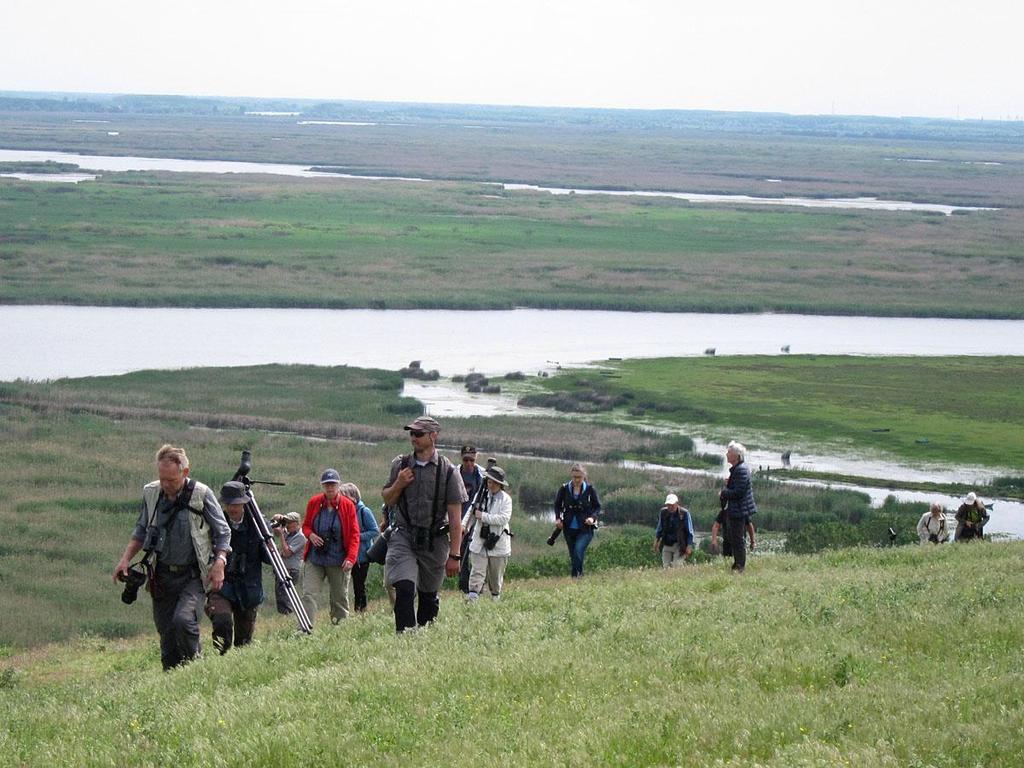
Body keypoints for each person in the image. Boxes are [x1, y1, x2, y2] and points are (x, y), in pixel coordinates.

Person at [112, 444, 231, 670]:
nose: (166, 485)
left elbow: (223, 531)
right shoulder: (152, 492)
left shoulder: (201, 494)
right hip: (162, 575)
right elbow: (141, 530)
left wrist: (220, 562)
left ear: (185, 473)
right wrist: (125, 559)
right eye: (162, 479)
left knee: (184, 621)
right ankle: (172, 677)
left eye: (171, 480)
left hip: (193, 575)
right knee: (166, 635)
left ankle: (195, 667)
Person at [381, 415, 467, 633]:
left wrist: (455, 555)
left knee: (428, 597)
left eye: (418, 434)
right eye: (411, 433)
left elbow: (456, 520)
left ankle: (425, 637)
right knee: (404, 587)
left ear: (433, 436)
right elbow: (388, 499)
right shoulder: (400, 465)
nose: (413, 438)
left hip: (435, 540)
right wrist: (399, 483)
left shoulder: (448, 471)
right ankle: (405, 638)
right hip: (403, 536)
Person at [205, 481, 271, 653]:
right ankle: (220, 656)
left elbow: (268, 558)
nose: (232, 508)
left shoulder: (258, 525)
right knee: (222, 622)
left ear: (244, 504)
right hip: (222, 584)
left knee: (244, 642)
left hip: (249, 586)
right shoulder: (215, 523)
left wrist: (270, 545)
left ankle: (237, 665)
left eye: (236, 504)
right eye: (229, 504)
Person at [300, 468, 359, 626]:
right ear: (322, 486)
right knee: (308, 594)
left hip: (338, 559)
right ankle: (305, 629)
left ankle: (340, 628)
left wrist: (351, 558)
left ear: (338, 485)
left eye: (333, 484)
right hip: (316, 558)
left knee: (338, 597)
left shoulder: (347, 506)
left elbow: (354, 535)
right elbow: (305, 526)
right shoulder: (314, 502)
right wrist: (311, 535)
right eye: (327, 484)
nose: (330, 487)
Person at [462, 465, 513, 601]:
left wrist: (483, 516)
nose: (490, 484)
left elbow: (503, 519)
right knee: (476, 573)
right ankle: (473, 599)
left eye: (493, 482)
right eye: (489, 481)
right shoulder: (481, 496)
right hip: (479, 540)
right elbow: (472, 512)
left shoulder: (506, 499)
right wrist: (464, 526)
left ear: (499, 484)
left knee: (495, 578)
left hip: (498, 542)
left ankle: (495, 599)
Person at [553, 462, 601, 578]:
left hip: (585, 528)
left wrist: (592, 518)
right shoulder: (564, 489)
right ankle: (576, 579)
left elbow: (597, 507)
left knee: (578, 551)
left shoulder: (590, 490)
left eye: (579, 477)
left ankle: (578, 577)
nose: (577, 480)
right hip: (569, 528)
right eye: (574, 477)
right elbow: (557, 505)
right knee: (573, 555)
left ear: (584, 476)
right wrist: (558, 518)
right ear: (571, 476)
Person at [717, 441, 757, 572]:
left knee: (738, 539)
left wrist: (724, 492)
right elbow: (739, 487)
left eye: (729, 452)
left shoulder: (741, 470)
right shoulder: (740, 468)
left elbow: (739, 493)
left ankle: (740, 566)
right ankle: (737, 564)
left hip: (738, 509)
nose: (727, 454)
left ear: (736, 455)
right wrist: (730, 483)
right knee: (734, 537)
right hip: (737, 509)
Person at [340, 482, 380, 612]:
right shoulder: (344, 512)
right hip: (347, 555)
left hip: (361, 556)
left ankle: (360, 611)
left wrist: (356, 537)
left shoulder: (364, 511)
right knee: (344, 585)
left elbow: (374, 531)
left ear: (353, 497)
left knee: (359, 586)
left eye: (343, 496)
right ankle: (350, 611)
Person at [457, 445, 485, 593]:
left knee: (474, 554)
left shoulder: (481, 475)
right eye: (466, 460)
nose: (469, 463)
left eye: (472, 460)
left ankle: (475, 587)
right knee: (459, 554)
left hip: (475, 521)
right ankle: (463, 586)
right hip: (457, 521)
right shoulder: (455, 473)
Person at [271, 511, 306, 614]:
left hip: (290, 570)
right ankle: (285, 615)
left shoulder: (300, 537)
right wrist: (278, 519)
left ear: (297, 523)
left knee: (285, 596)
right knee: (280, 594)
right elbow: (275, 529)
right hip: (283, 569)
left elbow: (287, 553)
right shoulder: (289, 533)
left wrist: (282, 535)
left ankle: (287, 615)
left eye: (290, 522)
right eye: (287, 522)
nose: (288, 524)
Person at [654, 493, 694, 568]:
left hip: (680, 544)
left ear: (676, 503)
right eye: (668, 505)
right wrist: (656, 541)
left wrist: (689, 546)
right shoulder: (663, 512)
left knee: (677, 566)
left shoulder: (684, 513)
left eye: (672, 505)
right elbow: (660, 528)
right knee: (666, 567)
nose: (670, 507)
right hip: (667, 543)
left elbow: (690, 532)